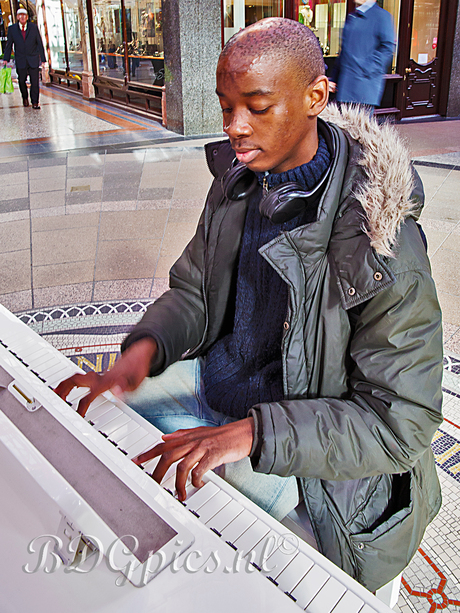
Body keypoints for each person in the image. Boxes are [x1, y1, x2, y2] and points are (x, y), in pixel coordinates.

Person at [55, 18, 443, 592]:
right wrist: (145, 348)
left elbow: (401, 420)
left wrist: (250, 436)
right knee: (94, 442)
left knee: (208, 568)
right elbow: (195, 289)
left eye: (257, 107)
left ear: (316, 97)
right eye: (226, 105)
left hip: (317, 461)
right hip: (226, 392)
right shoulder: (241, 180)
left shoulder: (379, 236)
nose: (235, 128)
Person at [329, 0, 395, 114]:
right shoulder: (352, 16)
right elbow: (344, 52)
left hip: (363, 90)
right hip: (344, 88)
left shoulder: (381, 16)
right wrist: (334, 79)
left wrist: (366, 68)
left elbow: (387, 48)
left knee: (358, 130)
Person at [2, 8, 46, 109]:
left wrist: (43, 59)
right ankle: (25, 97)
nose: (22, 17)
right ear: (17, 17)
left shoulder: (33, 27)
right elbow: (9, 45)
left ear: (27, 17)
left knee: (35, 82)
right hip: (21, 59)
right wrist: (6, 59)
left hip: (33, 59)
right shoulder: (12, 29)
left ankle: (35, 102)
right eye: (20, 15)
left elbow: (39, 43)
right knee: (21, 80)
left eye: (24, 15)